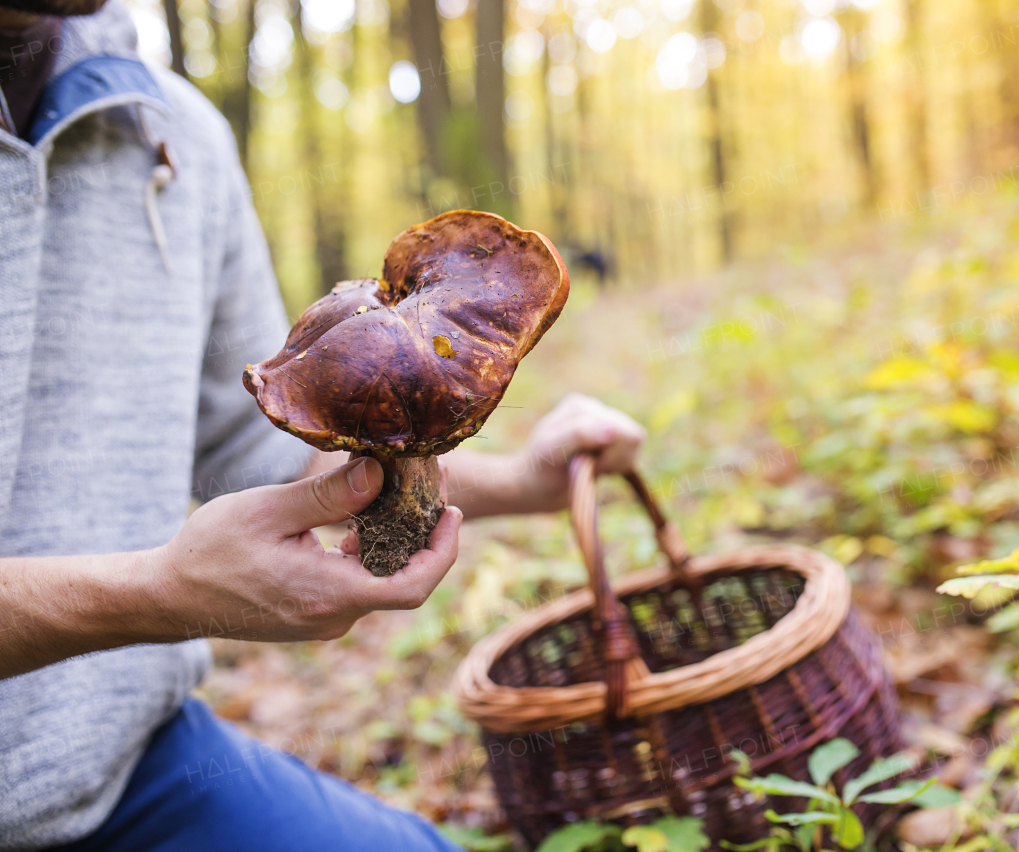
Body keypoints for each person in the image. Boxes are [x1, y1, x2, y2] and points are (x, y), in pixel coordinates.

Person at [0, 1, 646, 849]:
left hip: (129, 770)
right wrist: (155, 595)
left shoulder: (176, 133)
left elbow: (272, 457)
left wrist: (528, 479)